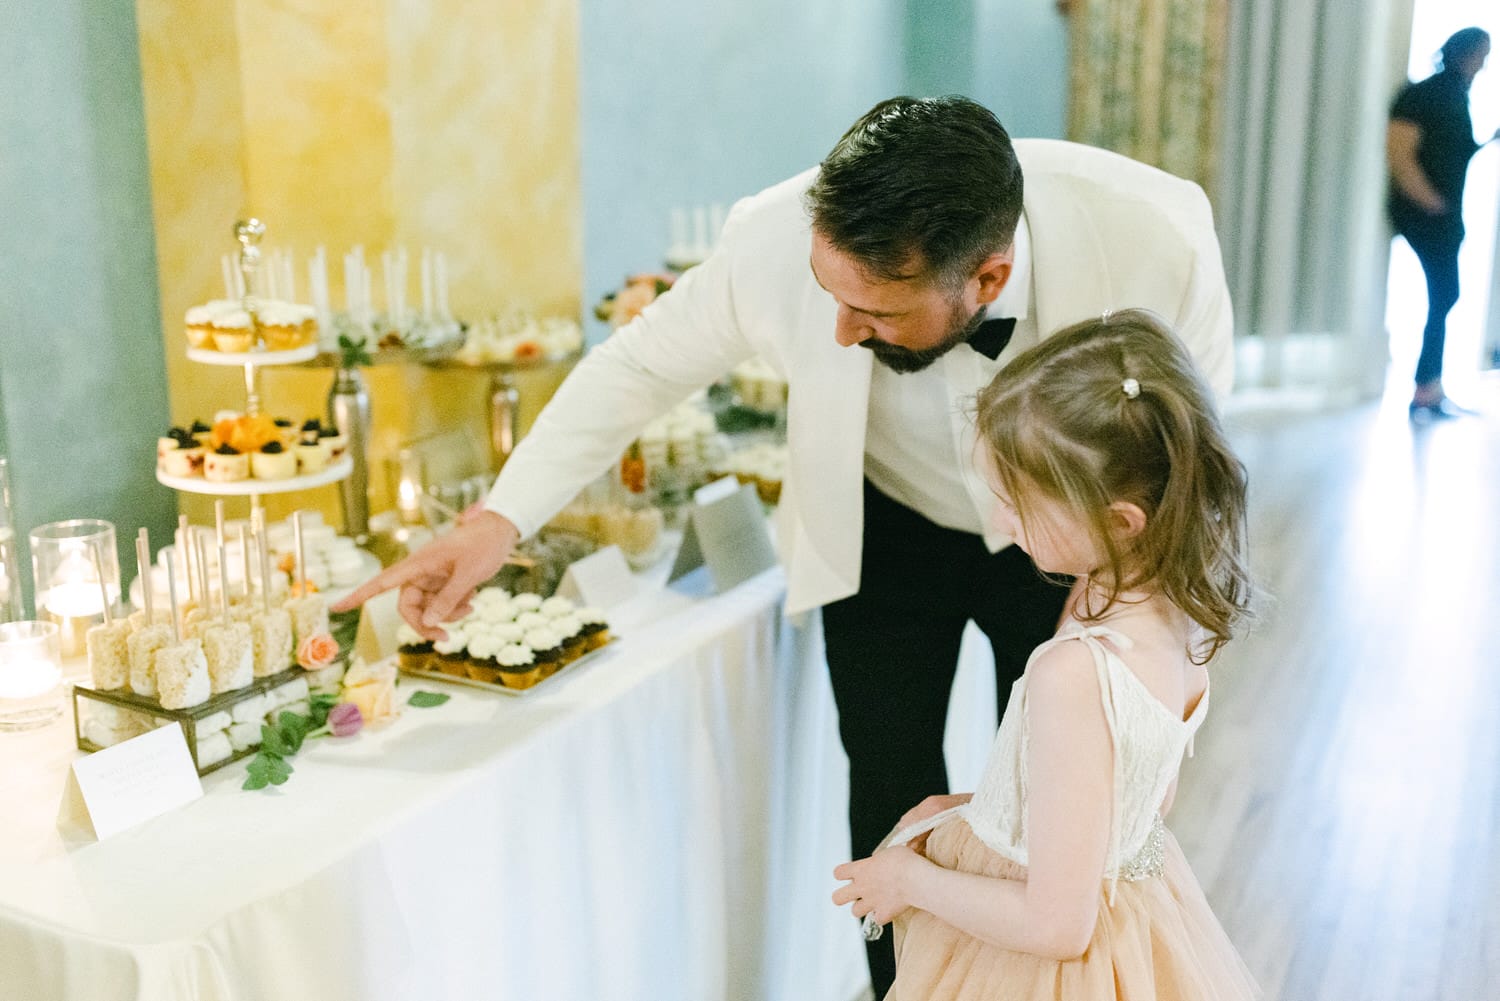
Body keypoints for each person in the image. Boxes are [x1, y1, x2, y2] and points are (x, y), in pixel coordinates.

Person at [336, 96, 1234, 995]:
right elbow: (637, 367)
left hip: (1074, 546)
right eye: (829, 296)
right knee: (888, 783)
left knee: (1057, 805)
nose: (839, 331)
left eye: (874, 311)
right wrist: (499, 518)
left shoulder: (1157, 240)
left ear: (989, 279)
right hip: (883, 520)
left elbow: (1192, 473)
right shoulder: (775, 237)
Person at [831, 310, 1257, 1000]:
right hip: (1139, 915)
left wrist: (909, 880)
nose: (999, 523)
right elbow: (1130, 804)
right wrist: (970, 809)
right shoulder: (1175, 612)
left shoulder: (1076, 672)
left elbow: (1057, 922)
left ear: (1120, 519)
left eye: (1019, 503)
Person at [1387, 26, 1495, 420]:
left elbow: (1453, 151)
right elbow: (1399, 153)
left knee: (1445, 296)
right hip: (1427, 214)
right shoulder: (1423, 94)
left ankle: (1429, 387)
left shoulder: (1453, 96)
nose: (1483, 64)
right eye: (1480, 54)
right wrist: (1429, 201)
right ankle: (1426, 388)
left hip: (1444, 213)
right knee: (1445, 294)